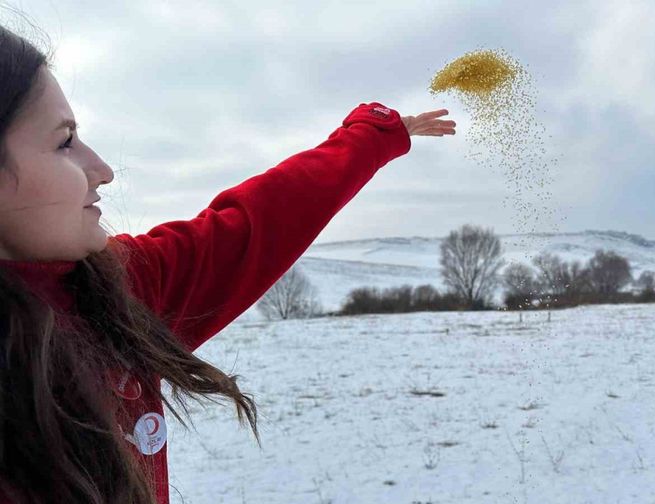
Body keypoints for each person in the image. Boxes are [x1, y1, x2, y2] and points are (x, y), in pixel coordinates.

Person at [0, 22, 455, 504]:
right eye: (64, 141)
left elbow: (257, 221)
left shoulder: (114, 289)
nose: (103, 171)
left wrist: (372, 136)